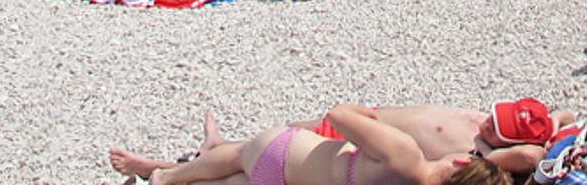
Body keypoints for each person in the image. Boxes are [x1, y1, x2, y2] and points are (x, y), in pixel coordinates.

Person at [110, 105, 519, 185]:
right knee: (225, 178)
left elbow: (337, 116)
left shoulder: (408, 157)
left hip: (284, 153)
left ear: (462, 161)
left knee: (235, 155)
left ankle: (163, 175)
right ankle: (155, 171)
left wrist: (367, 117)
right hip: (289, 181)